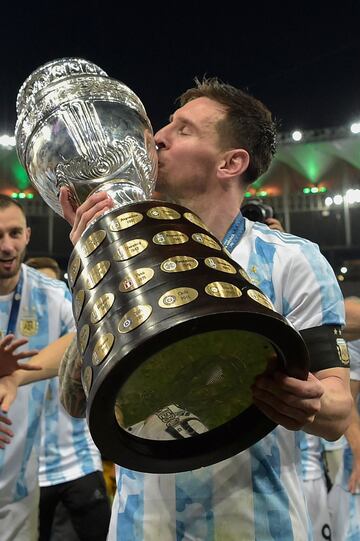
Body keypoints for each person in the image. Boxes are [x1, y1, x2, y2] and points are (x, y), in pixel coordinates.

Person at [1, 78, 352, 540]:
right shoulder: (126, 257)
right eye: (164, 123)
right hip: (140, 524)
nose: (157, 136)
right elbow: (78, 399)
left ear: (231, 162)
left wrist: (307, 400)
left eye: (183, 129)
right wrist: (95, 262)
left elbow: (338, 411)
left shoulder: (291, 260)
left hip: (256, 523)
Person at [0, 194, 75, 541]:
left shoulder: (52, 295)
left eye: (14, 233)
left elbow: (83, 337)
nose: (6, 246)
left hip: (18, 483)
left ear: (28, 235)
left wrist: (15, 377)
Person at [24, 256, 111, 541]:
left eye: (53, 283)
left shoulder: (76, 328)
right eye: (41, 286)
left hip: (79, 463)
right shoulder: (18, 335)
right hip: (32, 472)